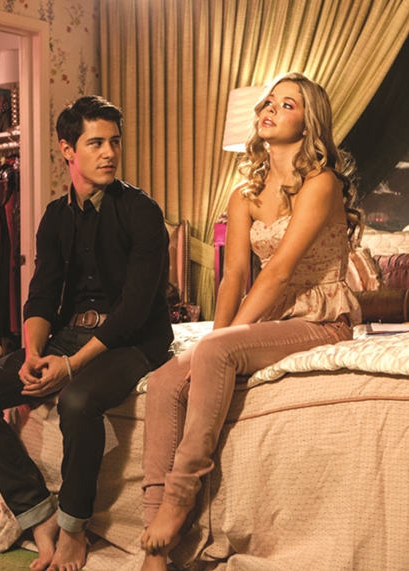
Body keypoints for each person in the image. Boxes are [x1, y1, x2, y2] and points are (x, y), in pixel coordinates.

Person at [139, 72, 364, 571]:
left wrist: (222, 342)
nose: (270, 109)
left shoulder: (321, 183)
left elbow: (279, 271)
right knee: (165, 381)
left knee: (216, 351)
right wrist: (215, 337)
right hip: (272, 319)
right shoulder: (244, 193)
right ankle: (156, 544)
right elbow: (234, 275)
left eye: (287, 104)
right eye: (268, 102)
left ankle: (179, 499)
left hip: (321, 317)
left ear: (309, 123)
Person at [0, 94, 172, 571]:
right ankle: (38, 512)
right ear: (67, 150)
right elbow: (41, 296)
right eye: (96, 143)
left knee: (77, 402)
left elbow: (134, 310)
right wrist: (34, 353)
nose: (110, 152)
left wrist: (71, 366)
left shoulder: (142, 211)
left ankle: (73, 528)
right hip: (67, 335)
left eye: (115, 141)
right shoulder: (55, 216)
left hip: (135, 340)